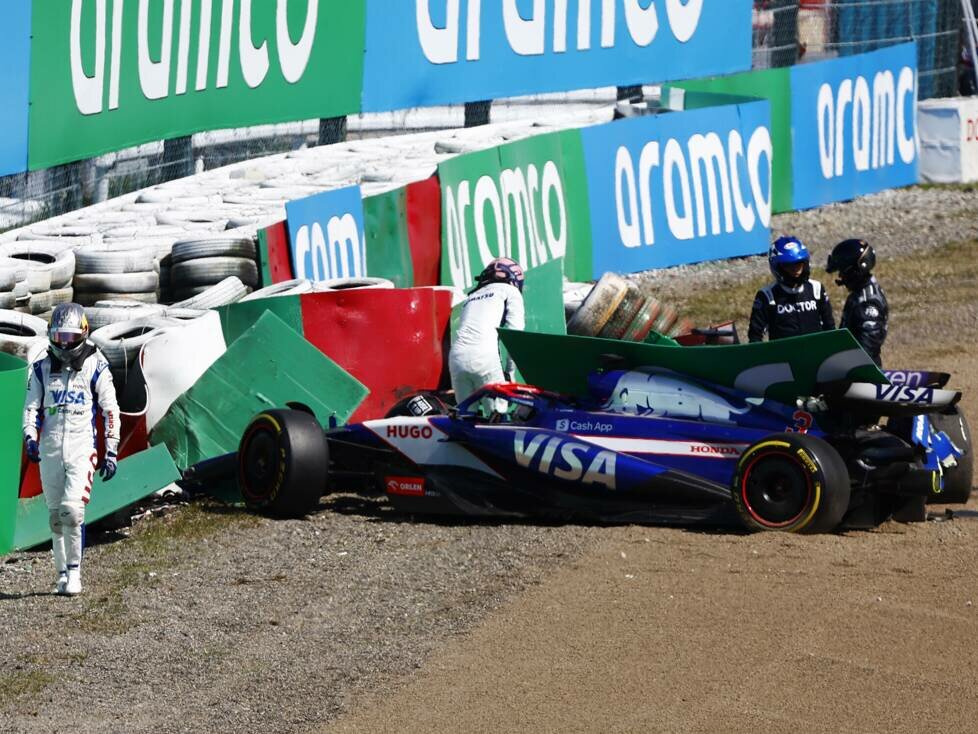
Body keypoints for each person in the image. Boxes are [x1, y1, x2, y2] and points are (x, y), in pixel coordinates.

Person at [23, 303, 119, 596]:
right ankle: (61, 574)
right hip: (50, 449)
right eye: (59, 337)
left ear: (83, 334)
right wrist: (30, 437)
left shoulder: (96, 364)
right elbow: (30, 407)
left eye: (70, 338)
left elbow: (110, 408)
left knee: (72, 512)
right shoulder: (40, 368)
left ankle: (76, 574)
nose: (64, 344)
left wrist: (111, 449)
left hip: (82, 447)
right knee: (54, 515)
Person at [449, 257, 526, 407]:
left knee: (465, 417)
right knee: (497, 418)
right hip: (485, 358)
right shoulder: (510, 291)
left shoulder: (470, 297)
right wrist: (510, 374)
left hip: (456, 358)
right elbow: (515, 336)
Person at [748, 235, 835, 343]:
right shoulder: (767, 296)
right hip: (783, 357)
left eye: (799, 264)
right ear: (778, 267)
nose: (796, 270)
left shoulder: (816, 289)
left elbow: (830, 328)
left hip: (816, 354)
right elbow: (755, 335)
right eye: (789, 265)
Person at [826, 238, 888, 366]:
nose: (841, 277)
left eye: (842, 272)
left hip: (861, 373)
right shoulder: (859, 293)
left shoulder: (868, 302)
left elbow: (867, 347)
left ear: (854, 271)